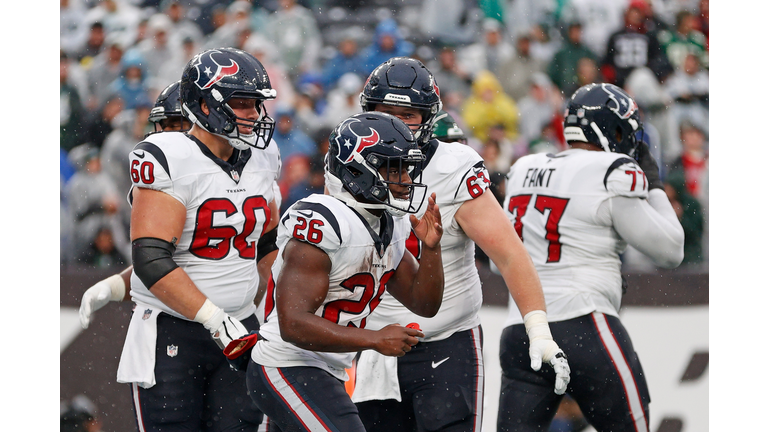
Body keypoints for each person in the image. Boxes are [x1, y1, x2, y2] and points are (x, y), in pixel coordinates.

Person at [344, 57, 569, 432]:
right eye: (385, 111)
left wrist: (539, 329)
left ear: (429, 119)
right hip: (372, 348)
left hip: (444, 344)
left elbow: (510, 255)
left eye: (408, 114)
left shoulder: (455, 168)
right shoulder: (347, 160)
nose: (395, 124)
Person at [112, 47, 282, 431]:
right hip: (176, 333)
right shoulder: (169, 155)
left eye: (256, 104)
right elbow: (151, 257)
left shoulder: (264, 155)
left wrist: (270, 314)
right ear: (204, 105)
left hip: (241, 330)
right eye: (242, 103)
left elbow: (267, 246)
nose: (254, 114)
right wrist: (213, 318)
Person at [497, 83, 684, 431]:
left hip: (522, 329)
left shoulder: (523, 167)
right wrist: (655, 186)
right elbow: (671, 250)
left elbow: (500, 259)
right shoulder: (612, 169)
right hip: (583, 324)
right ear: (613, 130)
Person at [242, 111, 445, 431]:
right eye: (394, 168)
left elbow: (424, 303)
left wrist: (432, 249)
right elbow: (292, 323)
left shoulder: (389, 223)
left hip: (327, 369)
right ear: (356, 170)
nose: (405, 179)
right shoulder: (325, 220)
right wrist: (373, 339)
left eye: (407, 168)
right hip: (285, 362)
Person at [79, 79, 193, 330]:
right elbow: (154, 260)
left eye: (177, 124)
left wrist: (213, 317)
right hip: (174, 306)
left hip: (210, 306)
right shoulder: (154, 165)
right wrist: (115, 285)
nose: (168, 133)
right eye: (164, 125)